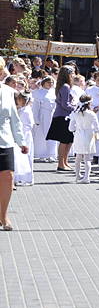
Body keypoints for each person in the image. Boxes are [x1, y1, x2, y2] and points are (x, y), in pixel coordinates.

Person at [0, 81, 27, 230]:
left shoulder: (8, 91)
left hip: (4, 140)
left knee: (8, 176)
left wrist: (21, 141)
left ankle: (3, 215)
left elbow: (14, 119)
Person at [46, 66, 77, 171]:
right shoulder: (65, 87)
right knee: (64, 141)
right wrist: (76, 108)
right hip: (62, 116)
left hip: (66, 116)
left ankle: (65, 161)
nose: (73, 75)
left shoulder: (66, 86)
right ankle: (60, 163)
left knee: (69, 140)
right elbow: (65, 104)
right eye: (72, 73)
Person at [68, 95, 99, 184]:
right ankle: (87, 177)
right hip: (89, 135)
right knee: (87, 158)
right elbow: (97, 127)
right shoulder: (92, 114)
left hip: (78, 135)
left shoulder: (75, 113)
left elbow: (70, 128)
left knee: (78, 157)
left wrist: (76, 128)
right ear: (89, 103)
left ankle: (77, 175)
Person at [32, 76, 58, 162]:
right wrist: (36, 119)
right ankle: (42, 154)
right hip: (43, 115)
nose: (50, 84)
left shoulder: (53, 92)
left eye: (51, 83)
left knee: (53, 134)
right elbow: (36, 107)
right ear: (43, 83)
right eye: (48, 82)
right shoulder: (38, 93)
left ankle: (52, 154)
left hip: (52, 115)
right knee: (42, 135)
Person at [13, 92, 35, 186]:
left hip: (25, 135)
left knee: (27, 156)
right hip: (20, 134)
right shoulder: (20, 109)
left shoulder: (26, 110)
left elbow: (29, 124)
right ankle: (19, 177)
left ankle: (28, 177)